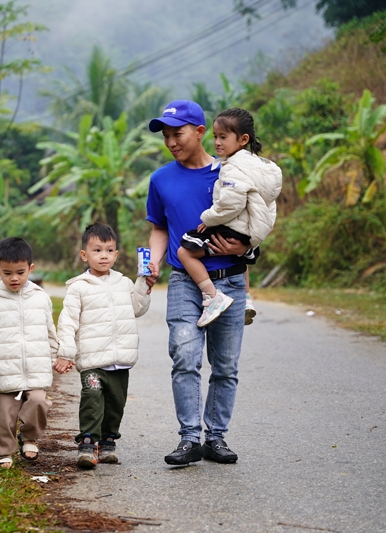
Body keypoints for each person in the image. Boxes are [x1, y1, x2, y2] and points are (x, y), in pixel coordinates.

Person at [145, 100, 258, 465]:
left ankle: (216, 437)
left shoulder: (232, 171)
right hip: (183, 282)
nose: (171, 142)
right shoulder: (160, 179)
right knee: (185, 357)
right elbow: (159, 227)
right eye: (165, 136)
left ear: (199, 131)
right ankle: (190, 438)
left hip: (231, 280)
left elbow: (256, 217)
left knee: (225, 366)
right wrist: (154, 262)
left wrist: (247, 243)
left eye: (176, 134)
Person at [54, 223, 150, 469]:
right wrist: (65, 352)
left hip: (120, 360)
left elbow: (137, 308)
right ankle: (87, 442)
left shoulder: (124, 282)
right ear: (84, 255)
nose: (104, 255)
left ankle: (108, 441)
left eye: (109, 250)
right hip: (93, 363)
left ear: (116, 255)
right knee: (92, 397)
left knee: (116, 403)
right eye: (97, 250)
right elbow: (67, 322)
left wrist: (144, 284)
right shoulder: (78, 287)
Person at [176, 108, 282, 327]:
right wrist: (255, 237)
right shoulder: (262, 168)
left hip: (231, 230)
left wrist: (208, 218)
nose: (217, 142)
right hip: (248, 233)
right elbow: (267, 205)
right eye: (215, 136)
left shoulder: (233, 167)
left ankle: (211, 296)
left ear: (243, 139)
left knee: (185, 251)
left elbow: (229, 205)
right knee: (240, 258)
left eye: (223, 137)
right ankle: (245, 298)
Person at [0, 237, 65, 468]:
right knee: (4, 413)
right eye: (7, 273)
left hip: (35, 368)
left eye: (20, 272)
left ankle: (29, 436)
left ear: (31, 268)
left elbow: (49, 332)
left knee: (39, 401)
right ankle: (3, 451)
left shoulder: (41, 298)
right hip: (3, 368)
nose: (14, 278)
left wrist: (55, 356)